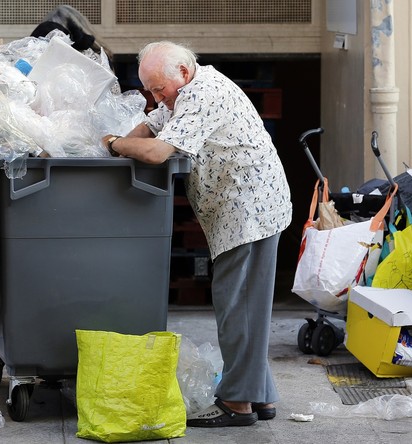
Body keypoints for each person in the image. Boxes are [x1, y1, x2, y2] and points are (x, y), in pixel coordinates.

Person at [101, 41, 292, 428]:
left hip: (249, 209)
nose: (156, 99)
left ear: (183, 74)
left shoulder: (204, 93)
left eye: (158, 89)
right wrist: (116, 141)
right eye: (150, 91)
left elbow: (156, 152)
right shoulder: (180, 95)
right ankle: (262, 397)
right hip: (242, 208)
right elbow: (150, 127)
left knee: (237, 304)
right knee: (246, 305)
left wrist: (115, 145)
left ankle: (238, 403)